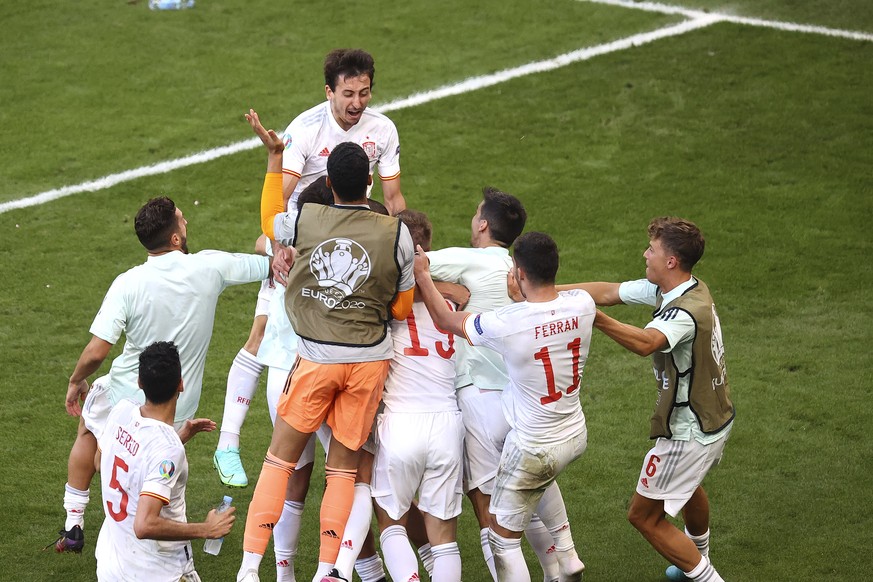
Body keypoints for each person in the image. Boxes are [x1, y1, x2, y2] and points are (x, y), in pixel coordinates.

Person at [214, 47, 406, 489]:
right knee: (263, 331)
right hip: (303, 245)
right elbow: (280, 198)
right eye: (348, 94)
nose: (357, 103)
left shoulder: (384, 130)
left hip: (354, 245)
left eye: (365, 92)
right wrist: (281, 247)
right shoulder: (306, 129)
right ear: (329, 91)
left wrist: (402, 242)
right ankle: (228, 441)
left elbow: (393, 199)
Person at [237, 112, 415, 582]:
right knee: (342, 471)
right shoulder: (398, 234)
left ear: (330, 182)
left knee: (279, 462)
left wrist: (275, 163)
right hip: (369, 364)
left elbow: (270, 226)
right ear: (369, 182)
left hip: (316, 359)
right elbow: (402, 307)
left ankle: (250, 569)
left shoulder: (307, 217)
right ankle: (326, 571)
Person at [54, 196, 271, 553]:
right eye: (182, 221)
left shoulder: (128, 282)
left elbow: (97, 351)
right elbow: (268, 264)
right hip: (175, 405)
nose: (186, 225)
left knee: (91, 432)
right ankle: (136, 529)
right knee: (153, 478)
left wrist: (76, 379)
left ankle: (75, 522)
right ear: (174, 239)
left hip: (127, 394)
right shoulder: (210, 268)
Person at [414, 232, 593, 582]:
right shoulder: (582, 304)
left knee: (500, 536)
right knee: (540, 486)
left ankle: (561, 562)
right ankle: (567, 556)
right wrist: (519, 299)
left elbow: (447, 322)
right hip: (574, 434)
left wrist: (423, 276)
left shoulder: (508, 324)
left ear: (520, 273)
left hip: (533, 446)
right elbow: (547, 313)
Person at [564, 217, 734, 582]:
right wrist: (551, 293)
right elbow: (610, 291)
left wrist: (594, 318)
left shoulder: (684, 313)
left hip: (689, 431)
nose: (645, 254)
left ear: (671, 261)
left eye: (652, 249)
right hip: (715, 418)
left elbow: (646, 343)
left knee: (643, 516)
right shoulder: (686, 289)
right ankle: (697, 555)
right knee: (687, 486)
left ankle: (705, 575)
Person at [371, 209, 464, 582]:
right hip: (446, 424)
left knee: (391, 524)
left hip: (400, 422)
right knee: (444, 540)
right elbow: (461, 292)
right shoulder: (452, 302)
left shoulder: (383, 301)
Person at [94, 341, 236, 581]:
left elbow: (101, 463)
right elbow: (145, 525)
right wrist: (206, 529)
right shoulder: (167, 448)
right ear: (180, 384)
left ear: (140, 383)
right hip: (158, 571)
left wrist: (179, 438)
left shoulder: (121, 411)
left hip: (111, 566)